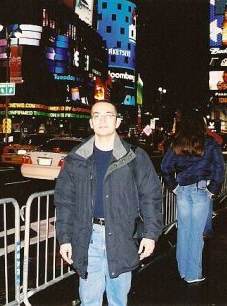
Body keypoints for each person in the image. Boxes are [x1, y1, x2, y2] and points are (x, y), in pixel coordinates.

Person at [55, 101, 163, 306]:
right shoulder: (76, 158)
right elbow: (65, 201)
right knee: (89, 300)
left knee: (118, 299)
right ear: (91, 122)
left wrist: (151, 235)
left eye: (108, 115)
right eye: (97, 115)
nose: (102, 120)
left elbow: (151, 196)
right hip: (87, 238)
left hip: (122, 236)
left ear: (118, 121)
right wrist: (65, 238)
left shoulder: (134, 157)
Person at [161, 109, 224, 283]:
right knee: (196, 233)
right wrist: (213, 190)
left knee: (184, 230)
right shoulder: (210, 143)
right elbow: (219, 169)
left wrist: (173, 186)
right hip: (200, 190)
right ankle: (193, 274)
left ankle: (182, 270)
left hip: (182, 190)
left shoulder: (177, 142)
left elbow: (165, 167)